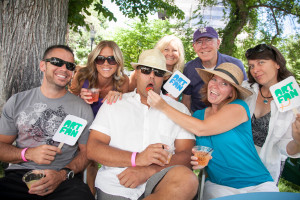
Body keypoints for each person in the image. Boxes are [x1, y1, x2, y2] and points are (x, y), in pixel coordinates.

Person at [148, 63, 279, 199]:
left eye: (224, 84)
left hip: (257, 184)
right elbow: (193, 145)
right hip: (219, 186)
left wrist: (163, 106)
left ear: (232, 92)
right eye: (214, 79)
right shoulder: (197, 116)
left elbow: (202, 128)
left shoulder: (238, 107)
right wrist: (197, 163)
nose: (215, 86)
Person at [87, 49, 198, 200]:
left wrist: (148, 171)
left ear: (164, 78)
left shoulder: (179, 109)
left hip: (160, 181)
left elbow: (186, 155)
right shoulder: (115, 103)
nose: (152, 76)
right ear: (137, 72)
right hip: (117, 182)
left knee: (188, 180)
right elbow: (93, 149)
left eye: (158, 72)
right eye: (146, 70)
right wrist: (137, 159)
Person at [0, 45, 95, 200]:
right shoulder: (17, 101)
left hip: (63, 179)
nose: (64, 69)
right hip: (20, 177)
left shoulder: (82, 108)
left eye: (70, 66)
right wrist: (28, 153)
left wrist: (62, 174)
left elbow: (87, 152)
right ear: (43, 65)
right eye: (57, 62)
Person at [69, 40, 129, 195]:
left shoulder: (122, 81)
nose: (106, 63)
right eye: (100, 59)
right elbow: (68, 100)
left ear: (118, 62)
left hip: (106, 125)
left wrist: (120, 96)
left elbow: (126, 108)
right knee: (86, 158)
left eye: (111, 59)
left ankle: (95, 191)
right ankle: (87, 191)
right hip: (83, 121)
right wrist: (78, 97)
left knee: (95, 157)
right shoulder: (82, 76)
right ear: (94, 61)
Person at [243, 44, 300, 183]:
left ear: (277, 64)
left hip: (265, 169)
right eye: (251, 66)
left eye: (261, 62)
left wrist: (298, 140)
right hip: (237, 157)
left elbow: (285, 149)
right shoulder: (246, 89)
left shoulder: (294, 101)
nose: (255, 70)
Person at [182, 26, 247, 113]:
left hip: (228, 116)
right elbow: (186, 100)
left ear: (218, 43)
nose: (204, 46)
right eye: (199, 42)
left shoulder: (235, 65)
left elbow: (245, 97)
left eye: (209, 40)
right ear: (194, 47)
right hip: (197, 116)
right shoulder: (188, 68)